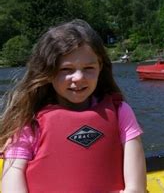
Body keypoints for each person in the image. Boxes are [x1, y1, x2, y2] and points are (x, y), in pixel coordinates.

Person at [0, 19, 146, 192]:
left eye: (88, 68)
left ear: (100, 67)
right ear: (47, 72)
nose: (78, 77)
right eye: (66, 70)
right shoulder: (29, 122)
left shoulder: (121, 112)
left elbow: (135, 186)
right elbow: (12, 175)